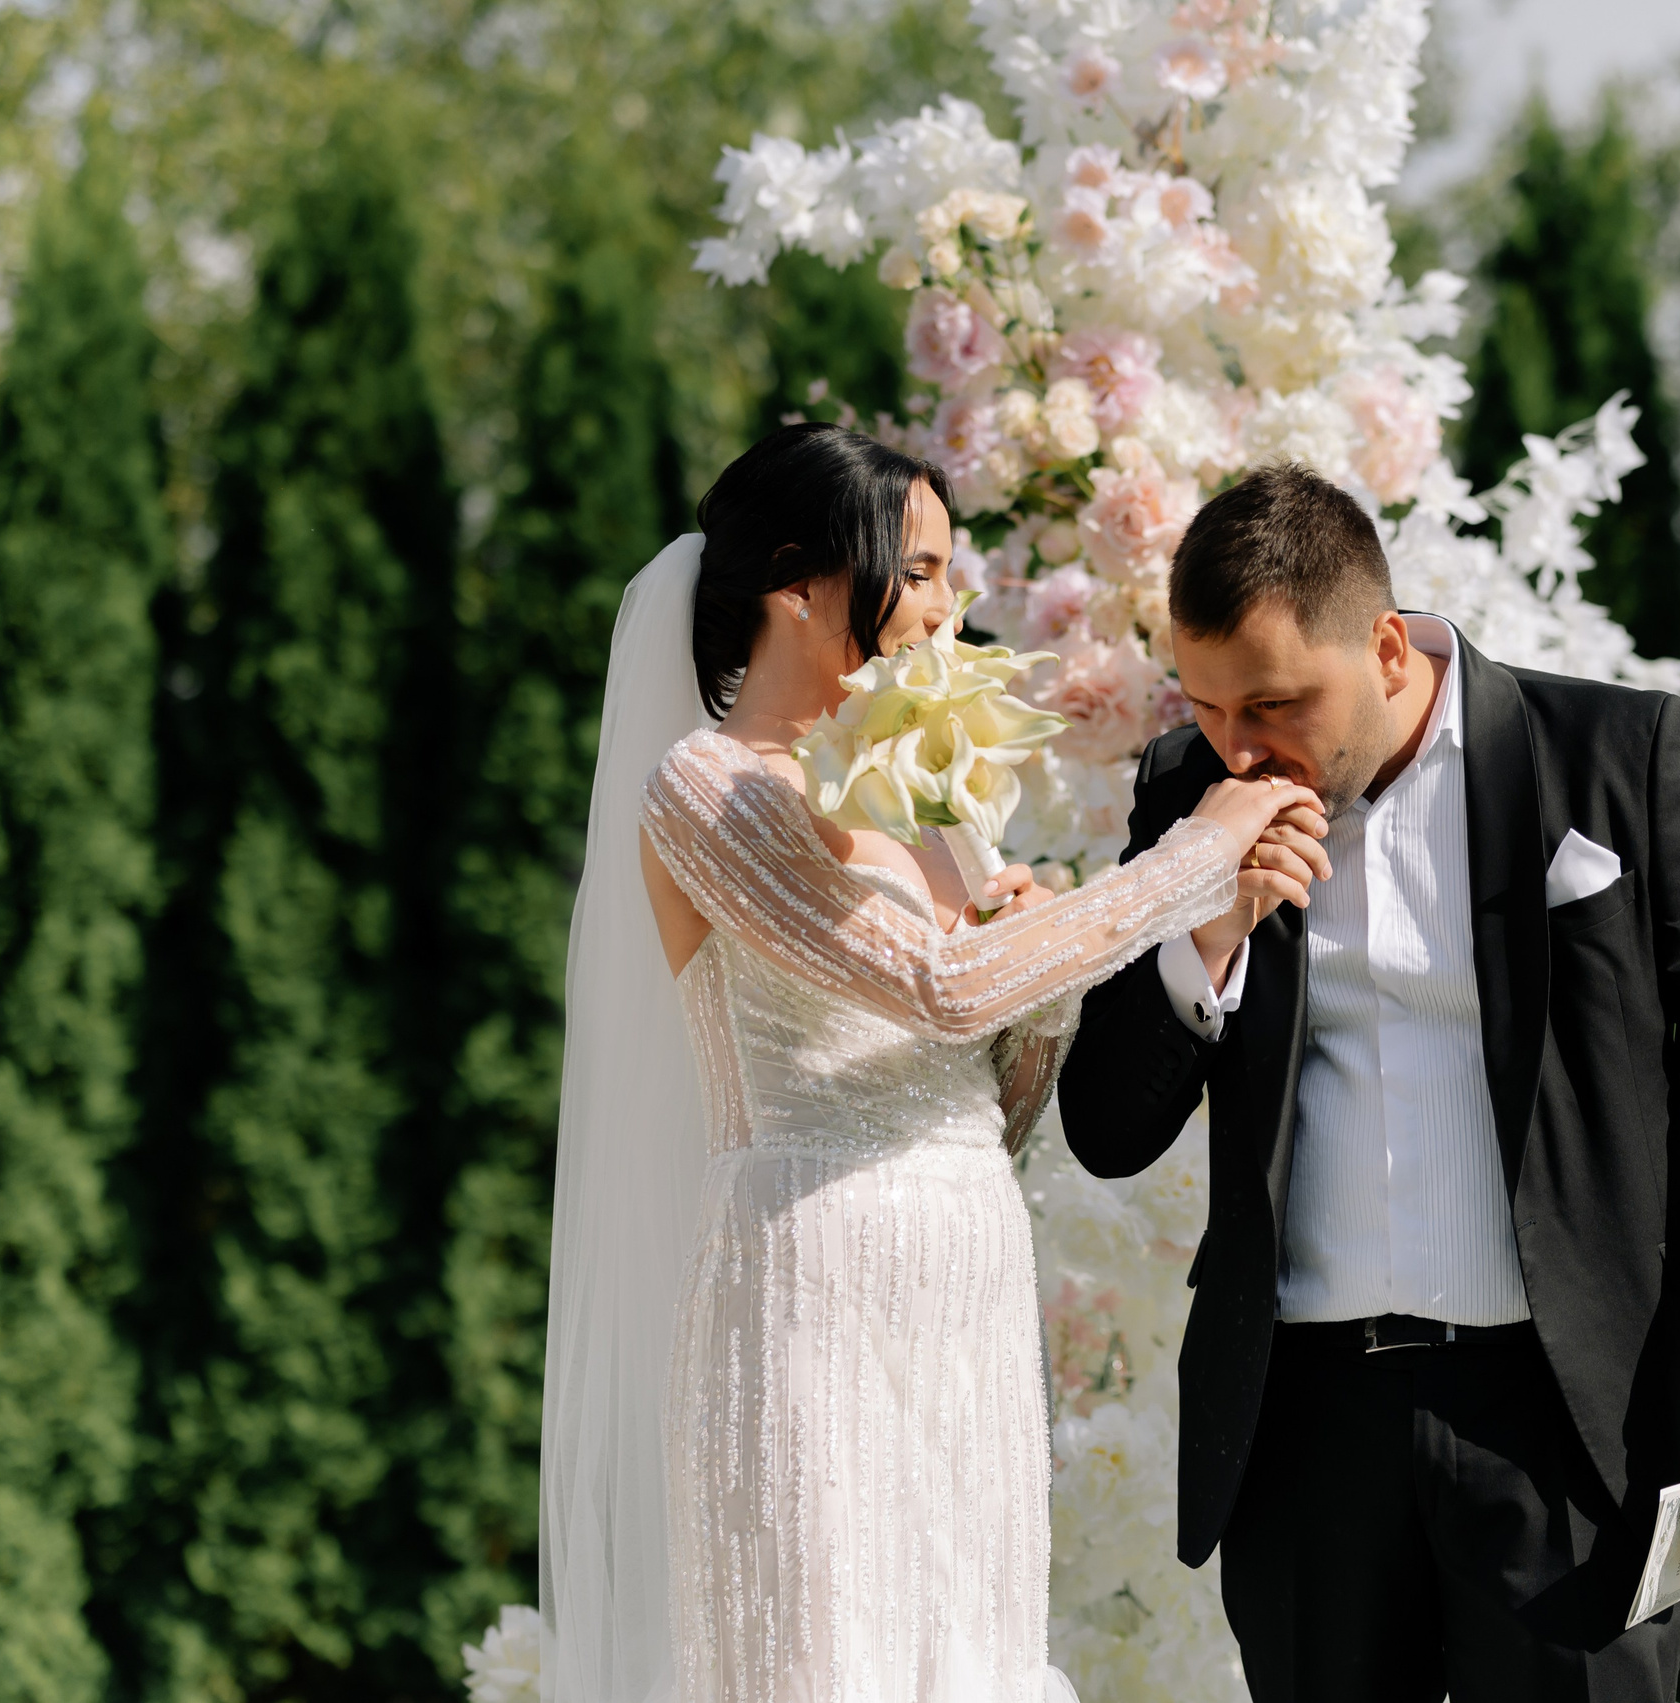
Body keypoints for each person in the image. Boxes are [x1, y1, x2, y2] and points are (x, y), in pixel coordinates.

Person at [538, 424, 1322, 1703]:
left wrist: (1044, 978)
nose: (950, 606)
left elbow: (992, 1104)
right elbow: (936, 985)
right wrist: (1192, 858)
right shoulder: (709, 787)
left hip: (961, 1280)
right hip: (806, 1282)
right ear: (797, 582)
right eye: (918, 569)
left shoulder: (934, 804)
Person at [1056, 463, 1680, 1703]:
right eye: (1206, 708)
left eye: (1274, 704)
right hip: (1304, 1429)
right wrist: (1202, 930)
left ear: (1384, 643)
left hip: (1565, 1420)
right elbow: (1103, 1124)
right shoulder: (1185, 797)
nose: (1240, 747)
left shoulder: (1616, 755)